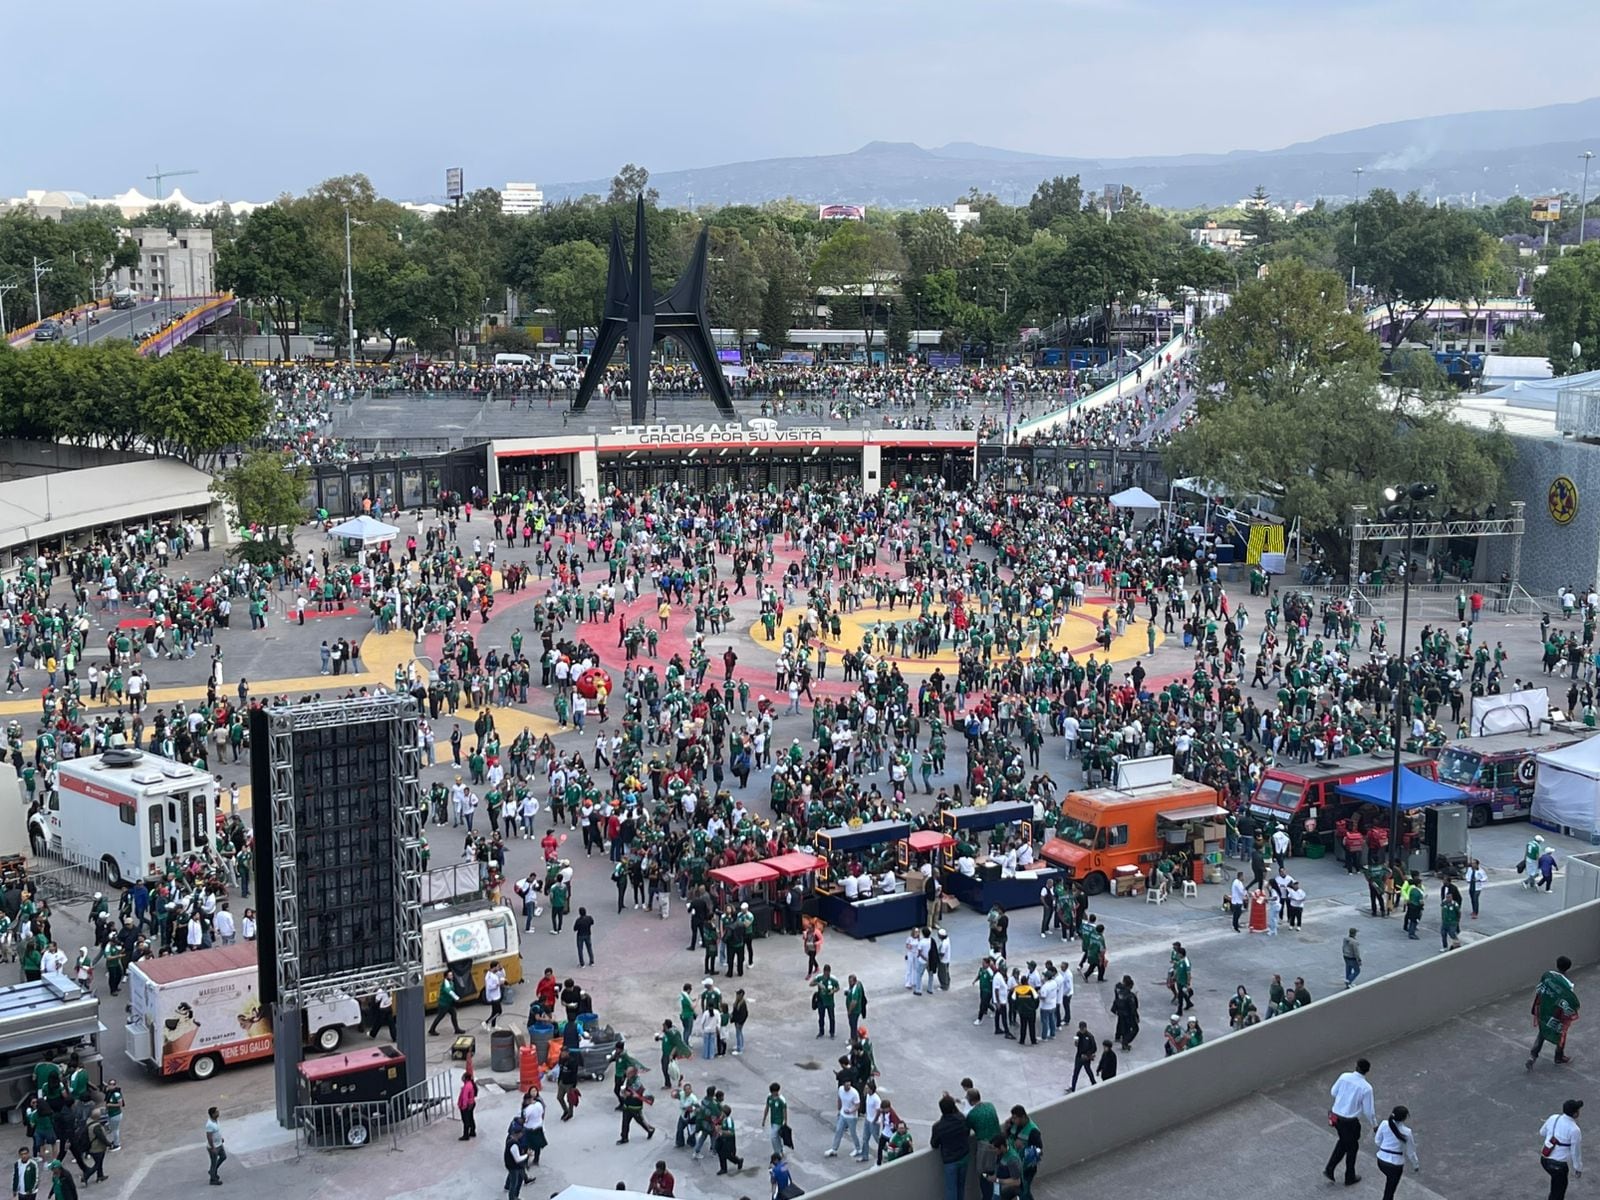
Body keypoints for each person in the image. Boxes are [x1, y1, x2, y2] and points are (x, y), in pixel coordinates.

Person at [1325, 1059, 1375, 1186]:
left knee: (1344, 1142)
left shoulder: (1344, 1076)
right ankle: (1349, 1176)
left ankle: (1330, 1168)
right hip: (1350, 1122)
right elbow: (1369, 1111)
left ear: (1356, 1066)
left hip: (1336, 1117)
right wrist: (1374, 1125)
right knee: (1352, 1147)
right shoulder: (1366, 1088)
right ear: (1367, 1071)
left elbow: (1333, 1092)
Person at [1530, 956, 1581, 1070]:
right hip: (1556, 1012)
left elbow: (1540, 990)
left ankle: (1533, 1055)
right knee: (1561, 1033)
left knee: (1543, 1031)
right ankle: (1559, 1056)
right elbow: (1567, 1002)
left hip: (1544, 1009)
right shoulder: (1568, 985)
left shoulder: (1548, 975)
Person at [1540, 1098, 1584, 1199]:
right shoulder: (1574, 1130)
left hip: (1544, 1160)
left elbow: (1542, 1132)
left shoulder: (1553, 1118)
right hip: (1558, 1166)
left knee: (1555, 1187)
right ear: (1575, 1114)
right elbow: (1575, 1152)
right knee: (1558, 1193)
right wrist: (1578, 1168)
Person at [1373, 1104, 1419, 1200]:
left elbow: (1377, 1141)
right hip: (1395, 1165)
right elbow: (1411, 1152)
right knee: (1390, 1191)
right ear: (1405, 1118)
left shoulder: (1384, 1124)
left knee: (1389, 1186)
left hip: (1381, 1161)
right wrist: (1416, 1165)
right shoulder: (1407, 1132)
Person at [929, 1094, 968, 1200]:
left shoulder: (938, 1126)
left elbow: (934, 1144)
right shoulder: (961, 1119)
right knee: (961, 1187)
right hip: (964, 1157)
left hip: (950, 1160)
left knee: (951, 1189)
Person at [1068, 1022, 1097, 1092]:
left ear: (1085, 1028)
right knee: (1076, 1072)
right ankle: (1073, 1087)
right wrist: (1076, 1043)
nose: (1081, 1030)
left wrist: (1087, 1054)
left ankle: (1094, 1083)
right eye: (1080, 1029)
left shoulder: (1090, 1036)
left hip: (1086, 1057)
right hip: (1079, 1056)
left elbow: (1094, 1048)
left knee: (1088, 1070)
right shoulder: (1078, 1034)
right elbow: (1077, 1044)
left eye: (1082, 1029)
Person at [504, 1132, 531, 1200]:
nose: (522, 1134)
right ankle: (512, 1198)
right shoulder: (514, 1145)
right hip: (514, 1166)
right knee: (514, 1183)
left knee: (517, 1178)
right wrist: (527, 1155)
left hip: (513, 1165)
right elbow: (517, 1159)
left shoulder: (510, 1141)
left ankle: (513, 1194)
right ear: (517, 1134)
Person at [204, 1107, 225, 1186]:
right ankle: (213, 1179)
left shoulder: (216, 1121)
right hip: (214, 1146)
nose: (218, 1113)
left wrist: (221, 1138)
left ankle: (212, 1171)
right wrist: (213, 1148)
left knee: (223, 1157)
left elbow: (217, 1132)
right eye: (216, 1112)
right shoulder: (209, 1125)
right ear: (212, 1114)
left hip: (219, 1143)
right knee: (213, 1162)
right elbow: (209, 1136)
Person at [457, 1071, 478, 1140]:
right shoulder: (470, 1084)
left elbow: (465, 1097)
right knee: (470, 1118)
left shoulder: (467, 1086)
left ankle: (466, 1135)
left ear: (465, 1078)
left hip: (467, 1105)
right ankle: (472, 1131)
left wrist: (463, 1106)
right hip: (471, 1104)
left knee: (466, 1120)